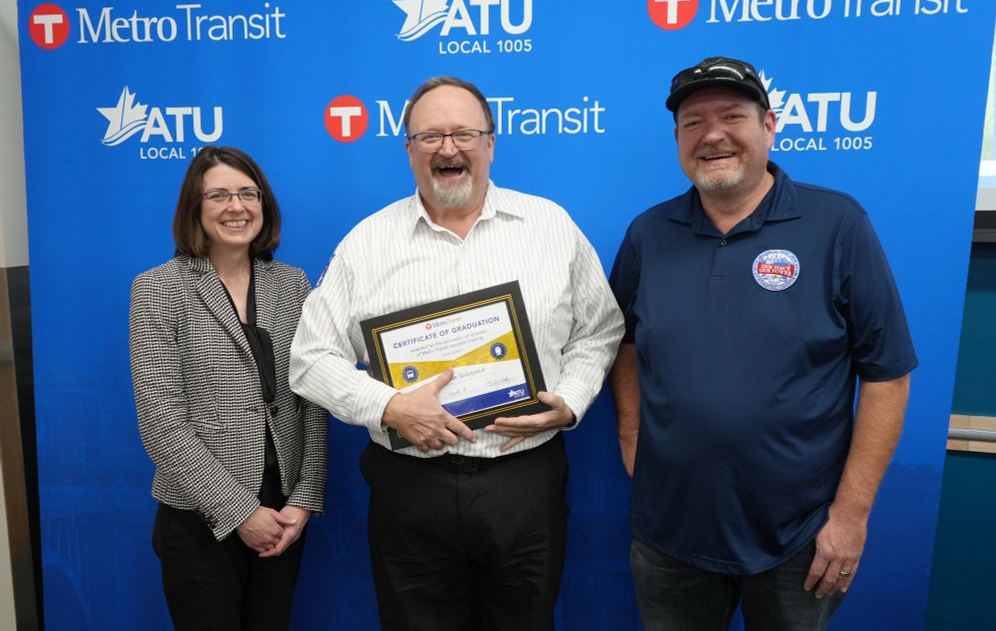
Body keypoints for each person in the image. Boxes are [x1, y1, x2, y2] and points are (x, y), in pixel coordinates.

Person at [289, 76, 623, 630]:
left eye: (464, 134)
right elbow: (310, 359)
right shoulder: (366, 243)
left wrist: (570, 399)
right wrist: (388, 407)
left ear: (491, 143)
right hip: (410, 489)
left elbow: (600, 329)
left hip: (524, 481)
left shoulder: (550, 226)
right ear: (409, 150)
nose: (449, 148)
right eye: (430, 136)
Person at [608, 56, 917, 630]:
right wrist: (631, 429)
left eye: (732, 116)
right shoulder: (647, 234)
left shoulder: (837, 223)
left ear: (770, 124)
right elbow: (623, 340)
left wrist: (850, 516)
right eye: (693, 123)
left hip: (798, 536)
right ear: (677, 138)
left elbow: (887, 373)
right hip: (669, 532)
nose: (713, 135)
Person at [129, 146, 328, 630]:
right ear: (194, 208)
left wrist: (304, 498)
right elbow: (161, 421)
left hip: (283, 512)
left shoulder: (292, 284)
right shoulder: (158, 288)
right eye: (217, 195)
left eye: (247, 193)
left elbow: (313, 397)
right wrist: (240, 512)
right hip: (200, 513)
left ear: (264, 203)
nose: (236, 207)